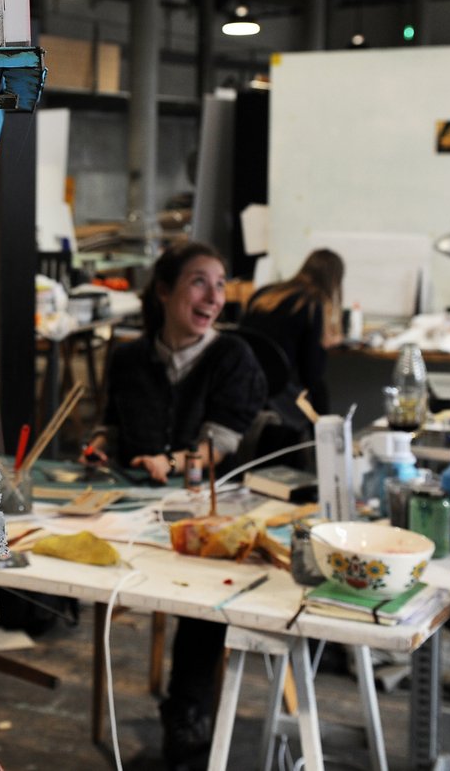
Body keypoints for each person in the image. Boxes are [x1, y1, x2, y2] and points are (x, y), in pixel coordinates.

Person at [82, 242, 267, 769]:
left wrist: (179, 460)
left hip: (205, 510)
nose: (214, 296)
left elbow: (219, 447)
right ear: (164, 291)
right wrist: (98, 448)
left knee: (205, 585)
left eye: (220, 283)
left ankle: (187, 711)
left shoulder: (234, 357)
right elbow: (112, 428)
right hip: (131, 506)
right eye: (199, 282)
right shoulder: (128, 357)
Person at [241, 248, 345, 420]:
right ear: (334, 281)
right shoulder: (312, 305)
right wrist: (324, 347)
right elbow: (311, 373)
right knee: (319, 395)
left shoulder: (265, 293)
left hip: (247, 382)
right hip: (279, 391)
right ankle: (323, 442)